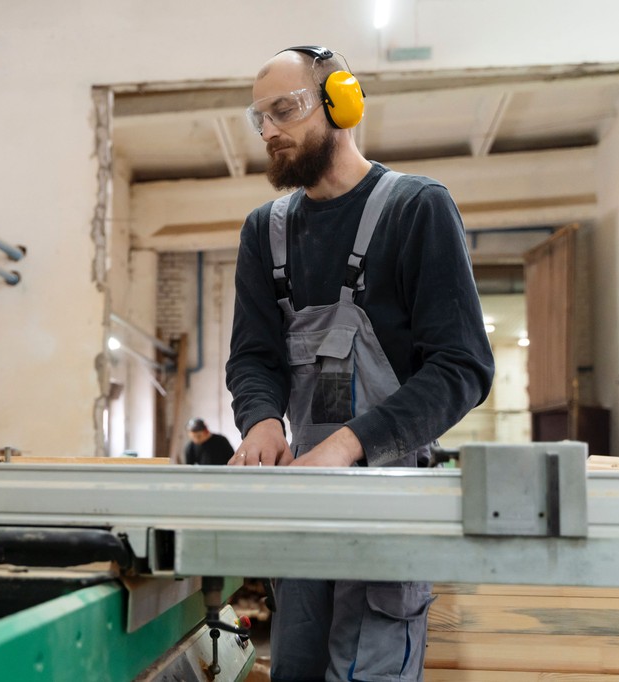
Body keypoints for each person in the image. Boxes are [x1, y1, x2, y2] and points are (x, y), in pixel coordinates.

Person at [225, 45, 494, 682]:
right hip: (302, 509)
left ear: (342, 101)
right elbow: (252, 356)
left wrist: (350, 444)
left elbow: (462, 366)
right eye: (258, 118)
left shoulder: (416, 208)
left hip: (387, 506)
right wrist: (261, 420)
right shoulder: (264, 231)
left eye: (284, 110)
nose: (270, 131)